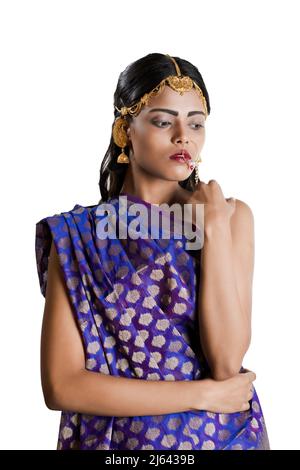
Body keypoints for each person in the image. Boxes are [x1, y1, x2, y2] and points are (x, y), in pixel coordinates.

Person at [35, 53, 270, 450]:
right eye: (164, 121)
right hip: (119, 446)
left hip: (221, 440)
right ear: (125, 131)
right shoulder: (79, 236)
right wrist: (202, 395)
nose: (184, 136)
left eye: (196, 123)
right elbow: (62, 385)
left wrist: (212, 230)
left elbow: (227, 361)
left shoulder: (230, 218)